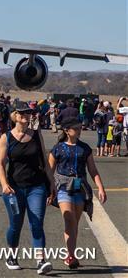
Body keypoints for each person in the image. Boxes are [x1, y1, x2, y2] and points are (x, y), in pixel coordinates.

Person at [0, 102, 55, 274]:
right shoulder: (6, 137)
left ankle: (40, 260)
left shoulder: (36, 135)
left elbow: (44, 160)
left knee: (37, 222)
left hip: (36, 187)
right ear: (15, 115)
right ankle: (11, 255)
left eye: (28, 113)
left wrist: (51, 182)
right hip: (14, 189)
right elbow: (0, 163)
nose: (25, 115)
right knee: (16, 224)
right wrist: (4, 184)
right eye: (22, 113)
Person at [48, 116, 107, 270]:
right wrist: (48, 190)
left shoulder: (85, 148)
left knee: (75, 224)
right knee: (69, 219)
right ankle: (71, 256)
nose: (80, 130)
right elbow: (49, 171)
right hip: (62, 187)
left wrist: (100, 188)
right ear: (67, 131)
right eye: (76, 128)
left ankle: (71, 255)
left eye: (81, 128)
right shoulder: (58, 148)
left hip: (80, 188)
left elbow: (92, 170)